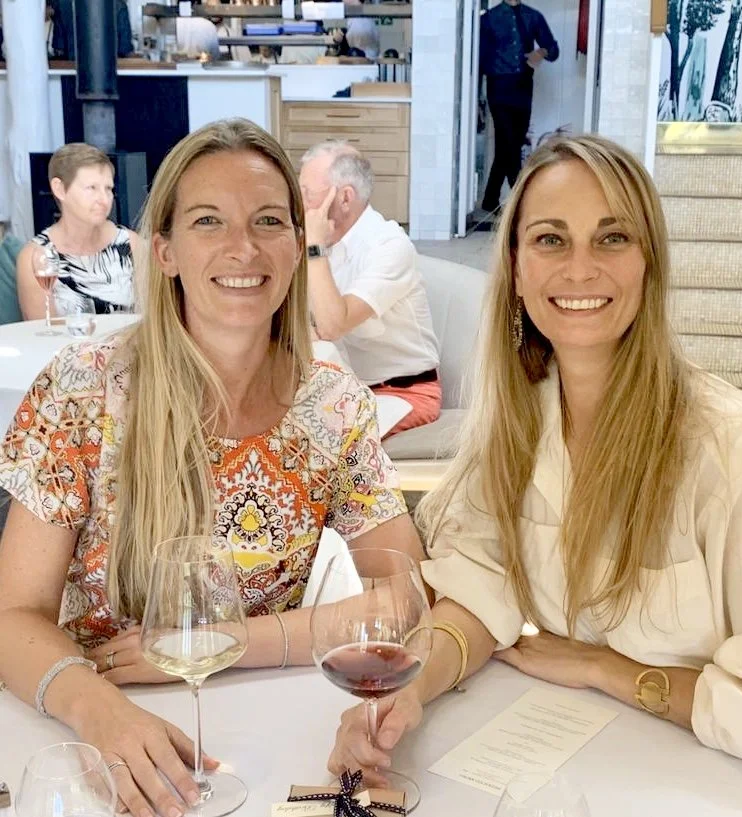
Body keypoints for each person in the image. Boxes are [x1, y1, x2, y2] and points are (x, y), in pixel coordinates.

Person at [327, 135, 742, 790]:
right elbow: (480, 591)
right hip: (580, 768)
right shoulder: (516, 428)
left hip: (731, 784)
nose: (579, 268)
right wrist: (409, 690)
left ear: (649, 262)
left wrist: (607, 669)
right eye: (550, 239)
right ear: (516, 269)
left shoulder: (738, 452)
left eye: (612, 238)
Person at [0, 118, 425, 817]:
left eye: (268, 221)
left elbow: (402, 597)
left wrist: (222, 642)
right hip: (88, 740)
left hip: (259, 737)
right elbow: (14, 614)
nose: (243, 247)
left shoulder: (334, 406)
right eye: (208, 221)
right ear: (164, 251)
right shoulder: (82, 389)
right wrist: (99, 711)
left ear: (297, 244)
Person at [299, 140, 441, 436]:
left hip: (403, 394)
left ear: (344, 198)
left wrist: (313, 247)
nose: (298, 205)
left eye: (307, 194)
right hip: (342, 389)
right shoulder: (325, 242)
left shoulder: (389, 246)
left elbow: (332, 325)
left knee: (315, 440)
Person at [16, 143, 138, 317]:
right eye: (91, 188)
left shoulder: (132, 244)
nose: (104, 199)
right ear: (59, 189)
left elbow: (155, 320)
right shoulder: (35, 257)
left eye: (108, 189)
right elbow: (44, 329)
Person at [480, 0, 558, 213]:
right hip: (498, 87)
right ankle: (522, 202)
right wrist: (478, 99)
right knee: (510, 145)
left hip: (523, 88)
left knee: (508, 146)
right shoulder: (489, 19)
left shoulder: (533, 16)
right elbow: (480, 60)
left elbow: (554, 50)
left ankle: (490, 200)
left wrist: (541, 52)